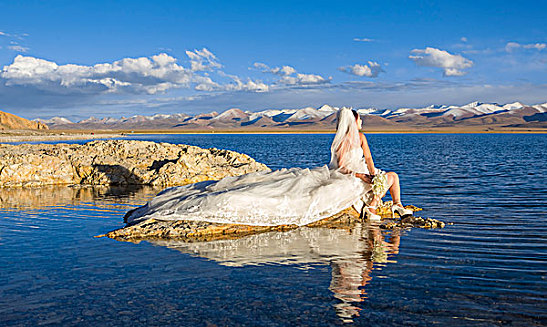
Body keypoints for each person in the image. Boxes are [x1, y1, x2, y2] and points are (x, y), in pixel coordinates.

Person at [125, 107, 411, 225]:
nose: (361, 124)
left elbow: (339, 165)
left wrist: (363, 174)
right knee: (391, 177)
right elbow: (369, 162)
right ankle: (389, 206)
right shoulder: (360, 136)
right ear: (356, 122)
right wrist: (369, 175)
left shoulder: (337, 143)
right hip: (350, 178)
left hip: (339, 175)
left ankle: (383, 206)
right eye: (360, 121)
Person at [330, 109, 412, 221]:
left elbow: (368, 158)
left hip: (363, 169)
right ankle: (372, 206)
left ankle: (397, 205)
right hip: (350, 174)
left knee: (394, 176)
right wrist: (361, 175)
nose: (361, 121)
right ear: (353, 122)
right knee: (390, 178)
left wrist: (373, 173)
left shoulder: (361, 137)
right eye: (359, 119)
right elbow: (341, 166)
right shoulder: (343, 141)